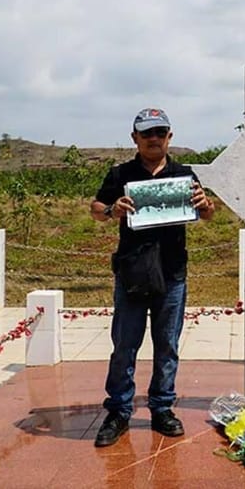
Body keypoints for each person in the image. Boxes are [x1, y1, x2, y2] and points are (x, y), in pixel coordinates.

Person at [90, 107, 215, 447]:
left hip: (172, 273)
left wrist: (205, 204)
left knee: (168, 346)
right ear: (135, 138)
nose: (154, 138)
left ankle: (161, 408)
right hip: (132, 272)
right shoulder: (121, 173)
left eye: (160, 132)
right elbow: (95, 209)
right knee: (124, 346)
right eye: (147, 133)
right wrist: (112, 210)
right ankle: (118, 410)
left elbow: (207, 213)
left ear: (169, 136)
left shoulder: (183, 173)